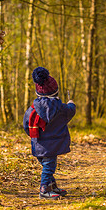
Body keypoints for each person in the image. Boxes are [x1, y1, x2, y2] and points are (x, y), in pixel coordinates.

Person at [23, 67, 76, 199]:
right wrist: (72, 103)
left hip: (38, 145)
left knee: (47, 166)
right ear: (56, 91)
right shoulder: (62, 108)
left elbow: (26, 126)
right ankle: (44, 190)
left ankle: (51, 186)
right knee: (48, 168)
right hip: (52, 147)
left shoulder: (32, 110)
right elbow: (71, 111)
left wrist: (34, 137)